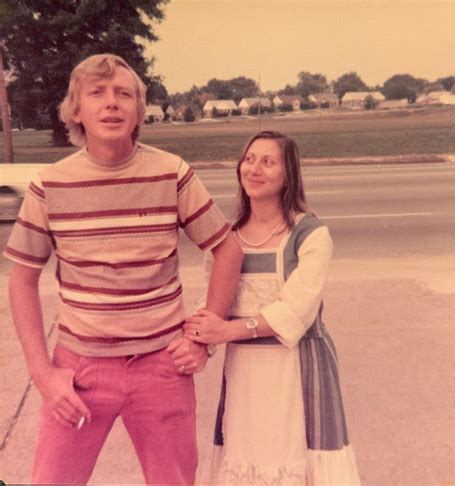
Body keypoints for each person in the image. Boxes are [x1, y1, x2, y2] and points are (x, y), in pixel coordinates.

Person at [4, 53, 243, 485]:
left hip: (162, 368)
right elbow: (21, 278)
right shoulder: (49, 185)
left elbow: (227, 248)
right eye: (97, 93)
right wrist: (43, 374)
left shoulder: (172, 172)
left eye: (124, 94)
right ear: (76, 111)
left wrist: (205, 338)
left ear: (138, 111)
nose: (111, 103)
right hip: (80, 372)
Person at [184, 130, 361, 485]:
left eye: (268, 162)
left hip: (296, 368)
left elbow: (298, 308)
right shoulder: (226, 236)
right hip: (245, 372)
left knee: (294, 459)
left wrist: (228, 330)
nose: (255, 169)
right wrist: (200, 339)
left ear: (288, 174)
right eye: (249, 159)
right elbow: (214, 298)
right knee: (245, 455)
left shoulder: (310, 235)